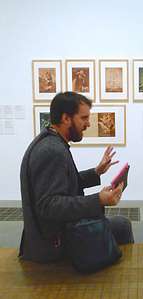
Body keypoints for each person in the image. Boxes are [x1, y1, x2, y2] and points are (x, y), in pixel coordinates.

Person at [19, 91, 134, 263]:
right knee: (122, 226)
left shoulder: (50, 142)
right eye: (84, 118)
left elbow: (62, 182)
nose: (88, 124)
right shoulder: (52, 150)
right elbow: (49, 205)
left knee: (119, 224)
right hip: (53, 245)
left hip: (47, 237)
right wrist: (98, 200)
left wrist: (96, 172)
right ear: (66, 118)